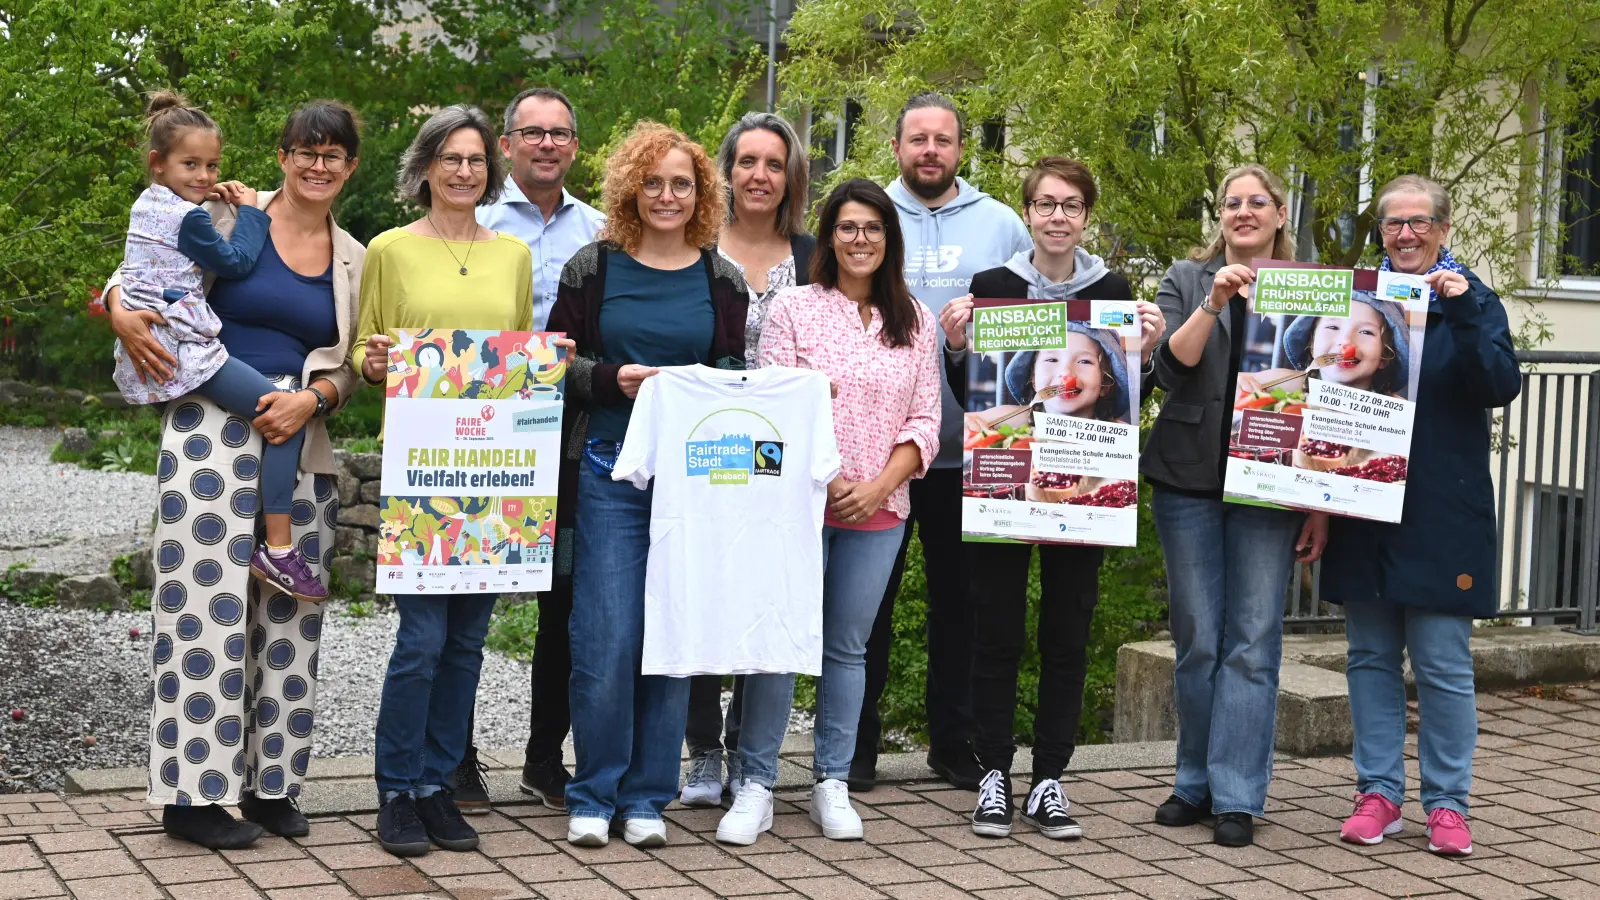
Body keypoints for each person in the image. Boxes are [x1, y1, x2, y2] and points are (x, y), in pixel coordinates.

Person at [106, 99, 366, 849]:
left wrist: (315, 397)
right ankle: (192, 799)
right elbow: (140, 263)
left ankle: (271, 785)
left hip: (300, 439)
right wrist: (117, 304)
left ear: (350, 167)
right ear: (283, 155)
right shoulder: (223, 214)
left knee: (289, 618)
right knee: (202, 614)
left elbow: (355, 363)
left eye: (334, 155)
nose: (319, 165)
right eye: (305, 151)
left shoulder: (357, 255)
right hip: (209, 430)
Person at [937, 157, 1165, 839]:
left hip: (1087, 489)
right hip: (1006, 486)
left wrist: (1145, 355)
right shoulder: (993, 286)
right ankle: (993, 775)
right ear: (1027, 214)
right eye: (1044, 204)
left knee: (1067, 633)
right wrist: (955, 350)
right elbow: (974, 399)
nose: (1057, 216)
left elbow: (1130, 399)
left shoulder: (1114, 289)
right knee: (996, 633)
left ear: (1087, 216)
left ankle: (1050, 781)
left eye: (1070, 205)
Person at [713, 178, 940, 846]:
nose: (860, 239)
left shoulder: (916, 321)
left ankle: (830, 781)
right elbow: (775, 404)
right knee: (778, 643)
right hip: (798, 507)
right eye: (847, 227)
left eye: (873, 228)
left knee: (847, 648)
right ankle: (755, 783)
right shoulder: (793, 308)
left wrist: (876, 486)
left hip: (882, 507)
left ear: (888, 238)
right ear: (829, 236)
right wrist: (834, 477)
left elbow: (926, 419)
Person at [545, 122, 748, 849]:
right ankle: (593, 791)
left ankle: (646, 799)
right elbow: (554, 367)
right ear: (632, 187)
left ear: (701, 194)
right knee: (605, 638)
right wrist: (610, 379)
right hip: (606, 468)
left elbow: (735, 377)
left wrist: (704, 385)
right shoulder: (591, 268)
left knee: (672, 638)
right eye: (653, 182)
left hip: (692, 482)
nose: (667, 196)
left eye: (681, 184)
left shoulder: (721, 278)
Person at [354, 104, 533, 858]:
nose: (466, 171)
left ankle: (436, 784)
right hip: (422, 471)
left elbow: (523, 362)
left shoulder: (514, 255)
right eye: (451, 158)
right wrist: (371, 362)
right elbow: (367, 348)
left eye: (477, 159)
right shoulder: (389, 251)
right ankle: (396, 789)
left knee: (467, 643)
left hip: (493, 474)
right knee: (421, 641)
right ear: (425, 166)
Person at [1328, 175, 1519, 857]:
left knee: (1441, 663)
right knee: (1370, 657)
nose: (1405, 235)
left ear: (1442, 228)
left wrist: (1464, 311)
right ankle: (1378, 794)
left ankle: (1448, 803)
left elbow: (1498, 386)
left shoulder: (1475, 299)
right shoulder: (1353, 299)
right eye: (1393, 224)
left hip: (1442, 510)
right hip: (1362, 503)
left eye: (1419, 223)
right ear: (1380, 232)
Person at [1141, 164, 1326, 847]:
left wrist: (1322, 503)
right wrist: (1214, 299)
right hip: (1188, 482)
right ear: (1219, 215)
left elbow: (1331, 400)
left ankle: (1239, 795)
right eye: (1231, 203)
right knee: (1197, 642)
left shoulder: (1315, 290)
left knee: (1253, 642)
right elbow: (1167, 368)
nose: (1243, 212)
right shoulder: (1187, 278)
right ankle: (1193, 781)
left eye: (1257, 202)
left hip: (1275, 486)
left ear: (1280, 214)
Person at [855, 92, 1033, 792]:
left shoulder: (1001, 224)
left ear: (962, 149)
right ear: (896, 147)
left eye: (944, 140)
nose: (931, 150)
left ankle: (953, 742)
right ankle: (857, 743)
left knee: (964, 606)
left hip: (972, 451)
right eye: (918, 138)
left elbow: (1042, 313)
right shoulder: (870, 216)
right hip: (880, 453)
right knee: (867, 606)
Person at [112, 91, 328, 603]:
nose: (204, 177)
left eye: (211, 165)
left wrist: (211, 196)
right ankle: (278, 548)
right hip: (185, 349)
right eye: (190, 164)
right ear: (157, 164)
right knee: (282, 414)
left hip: (164, 340)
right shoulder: (188, 218)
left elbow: (149, 263)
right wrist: (251, 211)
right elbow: (234, 262)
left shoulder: (149, 204)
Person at [453, 86, 605, 816]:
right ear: (506, 145)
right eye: (531, 133)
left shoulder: (606, 231)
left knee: (565, 605)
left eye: (560, 133)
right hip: (484, 438)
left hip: (572, 443)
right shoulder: (468, 223)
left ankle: (547, 759)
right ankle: (455, 757)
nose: (547, 144)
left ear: (575, 146)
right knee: (467, 600)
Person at [680, 111, 818, 808]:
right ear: (727, 171)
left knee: (767, 597)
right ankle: (704, 751)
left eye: (773, 163)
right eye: (747, 161)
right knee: (707, 591)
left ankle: (750, 752)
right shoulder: (694, 247)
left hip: (790, 460)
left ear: (790, 176)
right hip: (710, 448)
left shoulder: (817, 254)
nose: (759, 175)